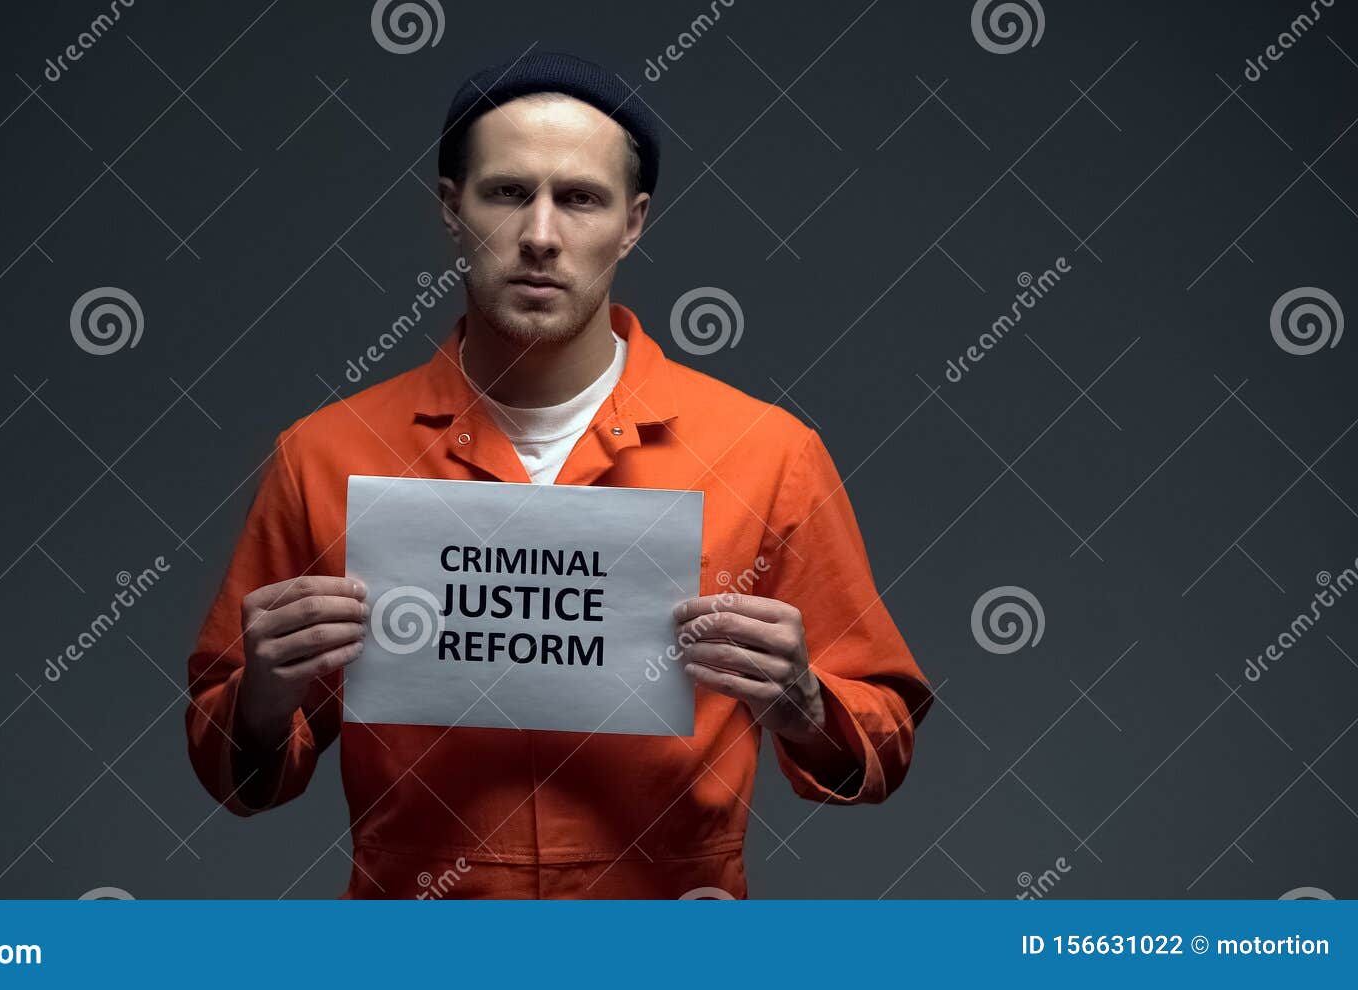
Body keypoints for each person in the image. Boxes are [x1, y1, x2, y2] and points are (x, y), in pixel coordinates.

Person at [185, 51, 932, 898]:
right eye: (508, 193)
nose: (540, 235)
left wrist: (803, 702)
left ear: (633, 222)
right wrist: (260, 700)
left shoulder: (769, 453)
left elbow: (884, 742)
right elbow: (234, 774)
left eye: (580, 198)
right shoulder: (325, 454)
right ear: (450, 209)